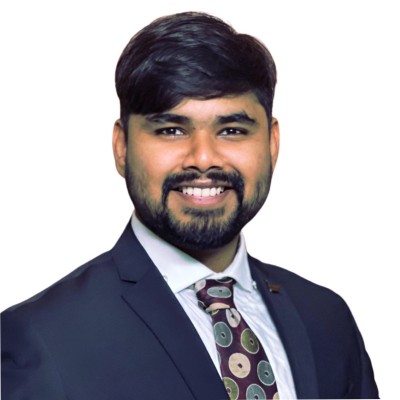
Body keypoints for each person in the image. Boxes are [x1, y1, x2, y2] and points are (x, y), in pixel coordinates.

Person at [1, 11, 378, 400]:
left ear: (271, 144)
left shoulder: (326, 319)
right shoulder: (41, 339)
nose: (203, 158)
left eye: (232, 130)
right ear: (122, 147)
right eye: (171, 130)